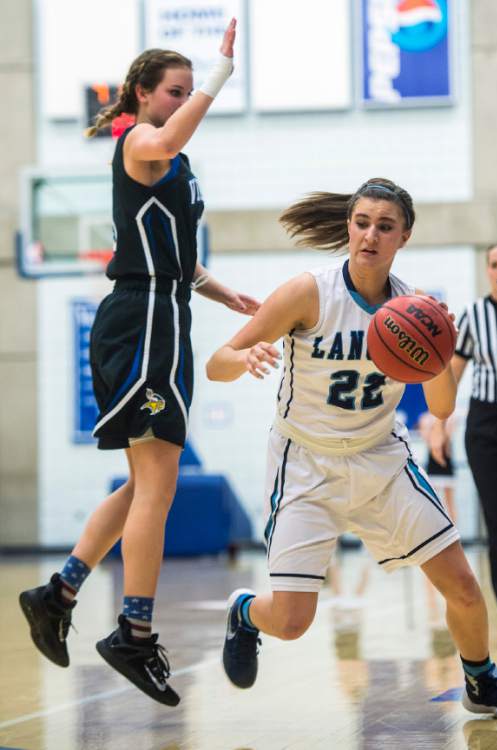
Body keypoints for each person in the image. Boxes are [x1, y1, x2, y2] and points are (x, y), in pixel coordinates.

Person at [19, 18, 260, 707]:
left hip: (167, 316)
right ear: (144, 96)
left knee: (142, 485)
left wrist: (224, 292)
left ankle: (58, 591)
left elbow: (177, 258)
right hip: (141, 320)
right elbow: (174, 136)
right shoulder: (141, 144)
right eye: (174, 90)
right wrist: (219, 77)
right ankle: (135, 631)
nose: (183, 100)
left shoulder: (175, 164)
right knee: (159, 483)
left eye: (189, 89)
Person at [207, 180, 497, 715]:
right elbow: (217, 361)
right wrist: (244, 359)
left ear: (403, 237)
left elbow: (439, 408)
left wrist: (438, 348)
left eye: (384, 226)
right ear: (349, 226)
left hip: (379, 457)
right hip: (306, 463)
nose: (370, 235)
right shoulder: (308, 292)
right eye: (362, 222)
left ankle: (481, 680)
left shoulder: (415, 310)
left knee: (461, 585)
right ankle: (245, 612)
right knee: (293, 623)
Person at [430, 243, 497, 605]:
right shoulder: (474, 314)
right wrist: (439, 427)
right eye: (495, 264)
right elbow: (452, 375)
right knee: (496, 519)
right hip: (487, 425)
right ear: (487, 270)